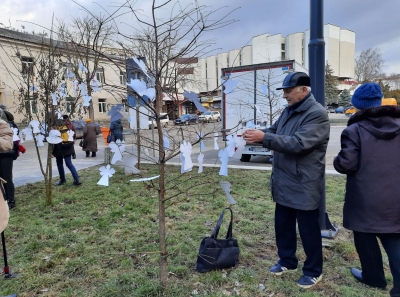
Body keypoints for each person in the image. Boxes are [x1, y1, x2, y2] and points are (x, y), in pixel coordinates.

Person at [243, 72, 330, 289]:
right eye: (283, 91)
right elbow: (274, 131)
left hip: (304, 182)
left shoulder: (317, 114)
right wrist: (259, 133)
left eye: (288, 91)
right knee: (283, 225)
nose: (285, 95)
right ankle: (287, 261)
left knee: (308, 230)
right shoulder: (288, 111)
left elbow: (299, 143)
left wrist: (265, 138)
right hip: (283, 180)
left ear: (304, 90)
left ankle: (313, 270)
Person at [333, 82, 400, 297]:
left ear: (357, 105)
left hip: (365, 196)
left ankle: (373, 278)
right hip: (396, 197)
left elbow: (346, 164)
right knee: (394, 239)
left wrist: (336, 160)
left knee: (365, 237)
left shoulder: (354, 130)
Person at [0, 105, 19, 209]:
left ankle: (11, 200)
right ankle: (3, 200)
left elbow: (7, 145)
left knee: (6, 178)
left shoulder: (4, 126)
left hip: (5, 155)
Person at [53, 120, 81, 186]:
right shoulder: (67, 128)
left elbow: (53, 143)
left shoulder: (55, 130)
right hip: (68, 148)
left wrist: (52, 152)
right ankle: (77, 179)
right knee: (69, 164)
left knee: (60, 164)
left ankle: (62, 180)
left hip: (59, 150)